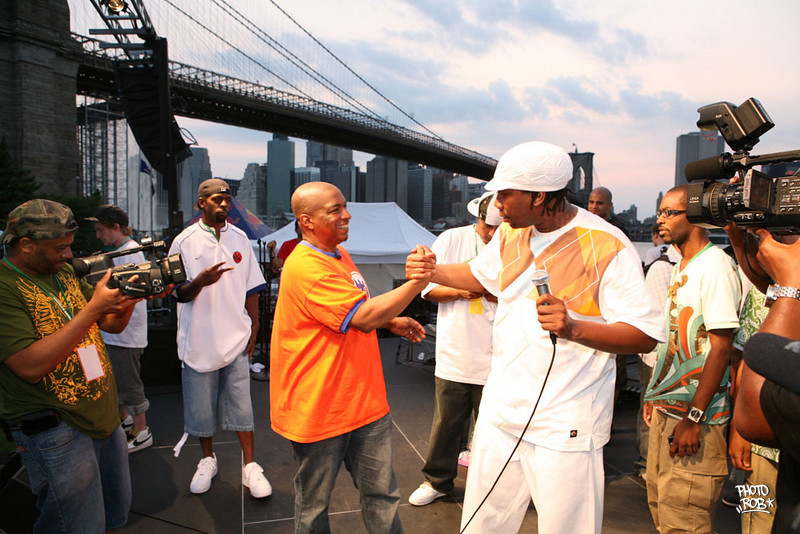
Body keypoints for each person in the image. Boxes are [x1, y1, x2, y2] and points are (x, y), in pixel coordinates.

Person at [406, 141, 664, 534]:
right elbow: (479, 274)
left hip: (565, 419)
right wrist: (432, 270)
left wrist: (574, 327)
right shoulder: (511, 233)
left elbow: (644, 336)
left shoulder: (608, 243)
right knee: (482, 523)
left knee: (567, 528)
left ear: (539, 196)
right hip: (501, 409)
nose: (497, 205)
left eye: (504, 195)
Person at [270, 181, 429, 533]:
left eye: (344, 206)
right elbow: (362, 318)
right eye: (335, 210)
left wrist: (390, 320)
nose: (347, 215)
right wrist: (417, 282)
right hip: (321, 408)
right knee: (314, 506)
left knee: (382, 495)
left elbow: (352, 308)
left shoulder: (339, 254)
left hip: (364, 402)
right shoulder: (306, 266)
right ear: (307, 221)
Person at [0, 199, 139, 533]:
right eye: (59, 248)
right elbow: (29, 366)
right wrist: (93, 310)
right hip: (56, 431)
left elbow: (110, 325)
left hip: (102, 417)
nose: (68, 254)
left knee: (111, 515)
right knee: (74, 525)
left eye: (69, 246)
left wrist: (129, 300)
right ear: (26, 244)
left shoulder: (62, 273)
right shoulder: (5, 287)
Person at [643, 185, 741, 534]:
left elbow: (721, 348)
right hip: (669, 413)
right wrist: (655, 394)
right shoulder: (683, 264)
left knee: (685, 521)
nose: (660, 219)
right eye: (660, 212)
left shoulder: (715, 267)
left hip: (697, 419)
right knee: (662, 511)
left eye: (670, 212)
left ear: (696, 216)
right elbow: (676, 339)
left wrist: (694, 417)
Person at [168, 178, 272, 498]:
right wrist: (199, 282)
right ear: (202, 202)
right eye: (216, 199)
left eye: (227, 198)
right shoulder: (183, 242)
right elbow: (177, 293)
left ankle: (250, 466)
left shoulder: (240, 238)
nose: (224, 204)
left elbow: (252, 287)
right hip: (198, 341)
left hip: (235, 338)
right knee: (201, 410)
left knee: (242, 405)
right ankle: (207, 460)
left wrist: (254, 324)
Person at [408, 191, 501, 506]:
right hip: (457, 351)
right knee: (447, 424)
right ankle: (437, 481)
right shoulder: (451, 239)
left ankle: (493, 488)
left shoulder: (517, 244)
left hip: (501, 357)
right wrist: (463, 291)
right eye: (487, 227)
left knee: (497, 431)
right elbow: (427, 290)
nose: (492, 234)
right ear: (477, 218)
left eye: (499, 228)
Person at [733, 227, 800, 533]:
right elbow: (741, 355)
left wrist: (791, 288)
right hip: (762, 449)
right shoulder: (770, 289)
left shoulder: (790, 288)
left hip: (769, 425)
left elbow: (756, 412)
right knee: (754, 518)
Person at [86, 205, 152, 452]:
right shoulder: (122, 252)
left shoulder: (131, 253)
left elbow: (129, 295)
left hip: (125, 335)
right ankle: (126, 421)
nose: (98, 236)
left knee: (129, 383)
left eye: (100, 230)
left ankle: (142, 430)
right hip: (117, 334)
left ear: (115, 227)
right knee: (117, 382)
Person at [634, 242, 680, 477]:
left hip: (675, 355)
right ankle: (646, 464)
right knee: (650, 408)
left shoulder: (687, 265)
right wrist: (657, 362)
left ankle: (656, 464)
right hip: (656, 354)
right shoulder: (663, 267)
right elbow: (657, 322)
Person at [588, 186, 631, 405]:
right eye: (591, 202)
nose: (594, 207)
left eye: (600, 203)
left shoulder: (619, 231)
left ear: (610, 206)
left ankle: (611, 412)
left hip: (612, 302)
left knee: (615, 362)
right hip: (587, 301)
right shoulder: (580, 226)